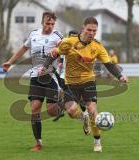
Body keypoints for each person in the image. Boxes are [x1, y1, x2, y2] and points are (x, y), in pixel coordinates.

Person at [41, 17, 128, 152]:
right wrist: (45, 66)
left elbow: (109, 64)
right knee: (70, 111)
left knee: (93, 110)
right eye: (89, 30)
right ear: (83, 28)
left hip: (88, 81)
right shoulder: (69, 42)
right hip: (70, 83)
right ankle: (83, 117)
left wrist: (120, 76)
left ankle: (97, 141)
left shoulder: (97, 46)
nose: (91, 33)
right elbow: (54, 53)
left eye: (94, 31)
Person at [3, 12, 64, 152]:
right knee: (35, 109)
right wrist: (9, 62)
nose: (50, 26)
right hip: (35, 77)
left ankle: (62, 106)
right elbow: (23, 49)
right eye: (47, 23)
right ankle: (38, 143)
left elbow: (66, 48)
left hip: (50, 77)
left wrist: (60, 49)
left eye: (52, 24)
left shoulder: (58, 36)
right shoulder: (33, 35)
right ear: (42, 22)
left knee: (51, 111)